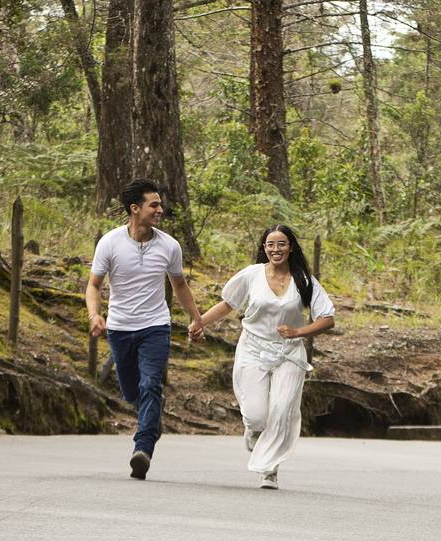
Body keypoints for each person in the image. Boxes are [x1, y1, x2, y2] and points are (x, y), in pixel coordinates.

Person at [191, 224, 335, 489]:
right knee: (257, 416)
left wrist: (298, 331)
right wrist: (200, 322)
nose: (275, 249)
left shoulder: (303, 280)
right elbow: (228, 304)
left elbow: (328, 319)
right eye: (270, 244)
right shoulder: (251, 275)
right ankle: (254, 430)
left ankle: (269, 470)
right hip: (253, 349)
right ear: (264, 248)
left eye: (281, 244)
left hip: (289, 353)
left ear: (291, 247)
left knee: (281, 411)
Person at [86, 179, 204, 480]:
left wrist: (196, 318)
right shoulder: (110, 243)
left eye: (160, 204)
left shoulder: (169, 246)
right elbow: (94, 285)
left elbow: (179, 284)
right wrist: (94, 315)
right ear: (134, 209)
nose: (160, 209)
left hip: (155, 326)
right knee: (130, 391)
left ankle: (143, 448)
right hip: (120, 328)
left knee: (151, 384)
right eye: (153, 204)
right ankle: (152, 420)